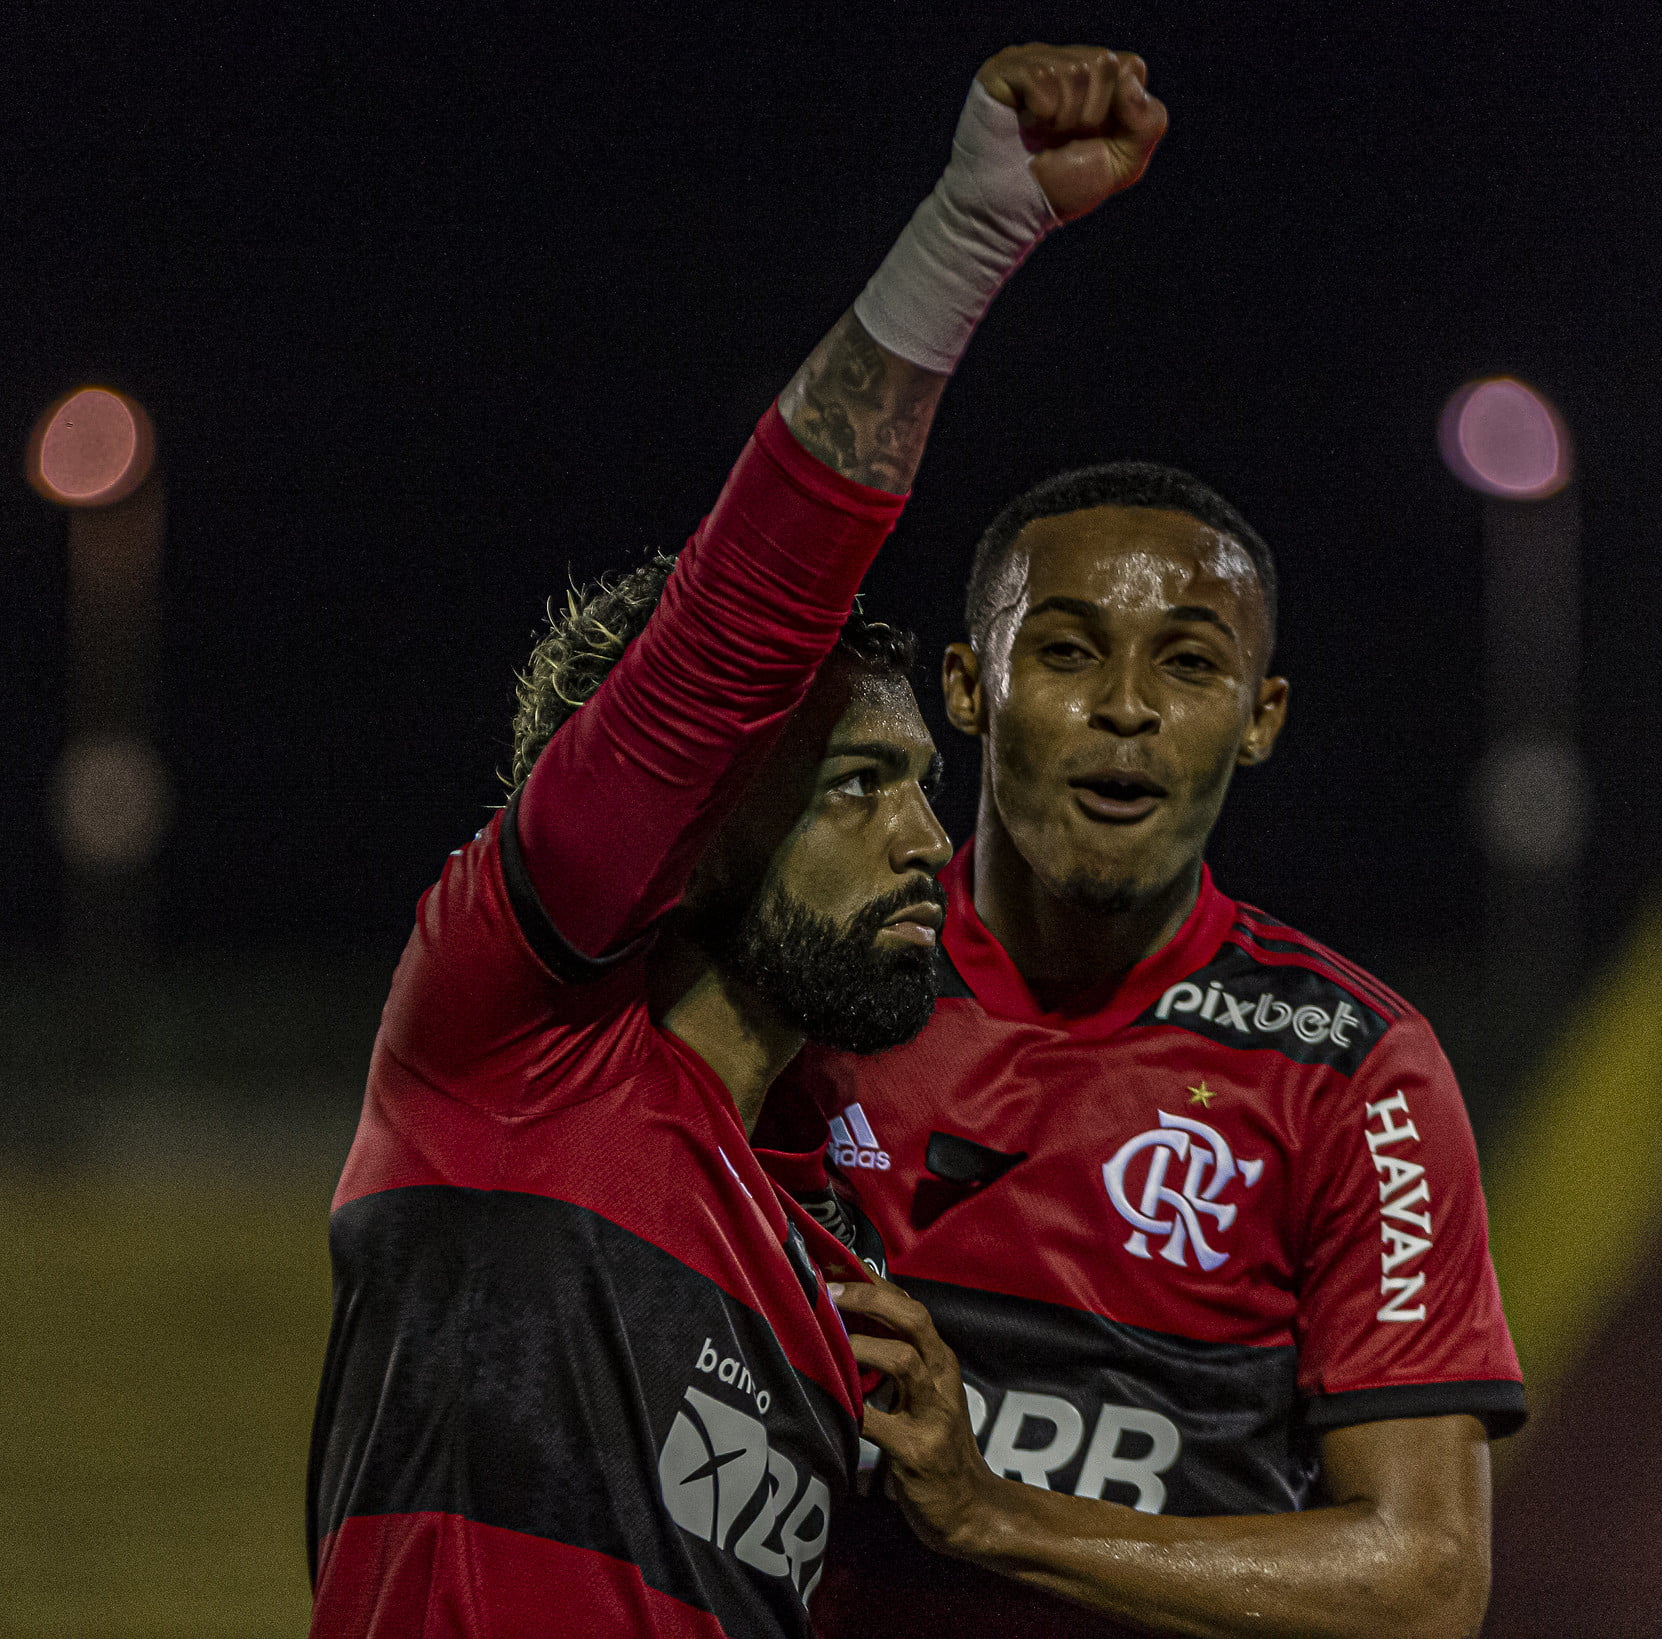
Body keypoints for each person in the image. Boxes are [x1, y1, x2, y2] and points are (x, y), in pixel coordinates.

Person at [305, 44, 1168, 1637]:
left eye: (924, 780)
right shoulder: (510, 1044)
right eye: (855, 784)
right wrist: (969, 232)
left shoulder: (828, 1265)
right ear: (683, 838)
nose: (930, 832)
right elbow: (742, 614)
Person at [762, 464, 1525, 1638]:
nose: (1128, 705)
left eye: (1188, 661)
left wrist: (991, 1516)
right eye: (1066, 652)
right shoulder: (813, 995)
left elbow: (1420, 1580)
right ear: (968, 687)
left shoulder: (1357, 1070)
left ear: (1259, 715)